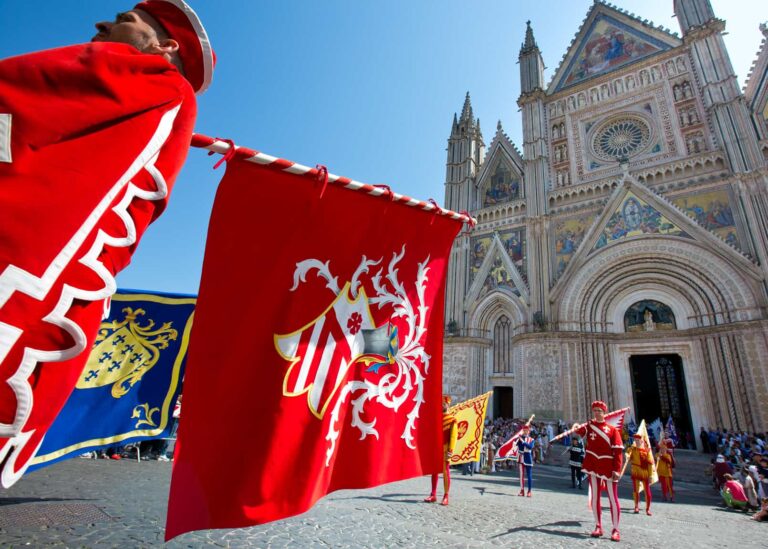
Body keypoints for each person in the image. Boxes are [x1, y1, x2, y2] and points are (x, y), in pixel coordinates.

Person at [0, 0, 214, 487]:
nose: (102, 23)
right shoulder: (169, 100)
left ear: (166, 45)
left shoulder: (147, 78)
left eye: (127, 19)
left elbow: (14, 95)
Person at [573, 400, 624, 542]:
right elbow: (580, 431)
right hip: (592, 464)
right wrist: (576, 427)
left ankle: (615, 529)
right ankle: (598, 525)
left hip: (608, 465)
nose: (596, 413)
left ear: (604, 413)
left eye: (599, 411)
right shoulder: (590, 426)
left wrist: (617, 469)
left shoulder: (612, 430)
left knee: (613, 498)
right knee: (595, 497)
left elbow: (618, 451)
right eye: (594, 410)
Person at [424, 396, 457, 506]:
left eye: (444, 403)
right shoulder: (436, 418)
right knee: (434, 471)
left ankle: (446, 495)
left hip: (445, 448)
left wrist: (450, 450)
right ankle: (433, 494)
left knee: (445, 472)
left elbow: (453, 436)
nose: (442, 405)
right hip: (436, 448)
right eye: (441, 403)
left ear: (448, 405)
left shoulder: (452, 419)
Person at [626, 434, 654, 515]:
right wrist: (629, 451)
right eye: (635, 440)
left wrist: (651, 475)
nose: (637, 442)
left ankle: (648, 509)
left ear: (641, 441)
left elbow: (650, 464)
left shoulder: (646, 451)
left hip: (644, 472)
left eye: (638, 440)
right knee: (636, 490)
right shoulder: (633, 449)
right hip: (635, 471)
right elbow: (628, 455)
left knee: (647, 492)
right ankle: (636, 506)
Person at [516, 424, 535, 497]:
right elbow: (515, 445)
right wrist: (517, 439)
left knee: (529, 475)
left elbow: (530, 447)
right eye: (524, 430)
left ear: (529, 431)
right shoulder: (520, 439)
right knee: (521, 475)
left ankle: (529, 491)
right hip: (521, 457)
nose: (525, 432)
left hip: (528, 458)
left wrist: (523, 442)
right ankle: (522, 490)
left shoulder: (531, 439)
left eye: (526, 430)